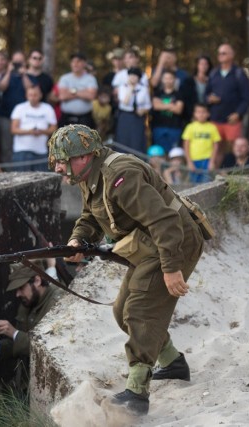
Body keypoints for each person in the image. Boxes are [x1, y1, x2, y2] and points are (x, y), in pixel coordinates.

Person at [48, 124, 205, 416]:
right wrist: (78, 239)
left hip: (174, 242)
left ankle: (136, 392)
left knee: (141, 311)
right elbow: (91, 215)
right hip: (150, 245)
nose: (58, 167)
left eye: (61, 160)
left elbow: (164, 221)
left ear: (83, 156)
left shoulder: (120, 176)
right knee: (122, 312)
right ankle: (172, 363)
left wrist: (172, 268)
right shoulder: (86, 174)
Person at [0, 262, 62, 394]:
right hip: (27, 387)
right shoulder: (27, 303)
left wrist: (15, 333)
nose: (17, 294)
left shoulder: (58, 303)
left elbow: (49, 351)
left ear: (37, 280)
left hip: (50, 390)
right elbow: (18, 345)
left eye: (21, 288)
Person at [205, 43, 249, 168]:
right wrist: (209, 98)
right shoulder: (213, 73)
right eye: (219, 53)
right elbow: (206, 94)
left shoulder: (239, 73)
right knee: (216, 149)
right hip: (215, 118)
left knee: (235, 149)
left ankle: (235, 175)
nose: (220, 55)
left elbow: (246, 98)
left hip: (232, 120)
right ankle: (215, 176)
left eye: (224, 53)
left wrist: (238, 113)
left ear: (232, 55)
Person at [10, 85, 58, 171]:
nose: (32, 98)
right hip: (22, 150)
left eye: (35, 95)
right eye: (30, 95)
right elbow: (13, 129)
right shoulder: (19, 108)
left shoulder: (47, 108)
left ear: (40, 95)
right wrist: (30, 132)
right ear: (26, 95)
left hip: (41, 151)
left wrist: (42, 131)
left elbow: (54, 128)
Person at [116, 67, 151, 154]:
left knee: (136, 140)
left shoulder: (143, 89)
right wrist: (131, 88)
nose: (132, 78)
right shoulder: (123, 87)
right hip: (125, 116)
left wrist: (143, 110)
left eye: (135, 76)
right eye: (131, 75)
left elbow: (148, 104)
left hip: (138, 117)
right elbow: (125, 101)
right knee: (123, 140)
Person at [181, 103, 221, 183]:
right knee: (194, 183)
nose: (201, 114)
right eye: (198, 112)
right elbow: (186, 145)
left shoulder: (212, 127)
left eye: (203, 112)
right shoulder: (190, 127)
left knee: (206, 182)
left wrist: (212, 161)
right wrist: (189, 162)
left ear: (208, 114)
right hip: (194, 160)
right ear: (194, 114)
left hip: (207, 159)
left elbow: (216, 145)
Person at [58, 52, 98, 128]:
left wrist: (72, 91)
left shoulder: (90, 79)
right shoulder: (64, 78)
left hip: (85, 118)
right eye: (73, 61)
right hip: (66, 118)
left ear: (84, 63)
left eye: (78, 61)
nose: (75, 64)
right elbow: (62, 96)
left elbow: (91, 96)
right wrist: (83, 92)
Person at [151, 69, 185, 153]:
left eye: (170, 78)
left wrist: (162, 105)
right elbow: (156, 106)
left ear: (174, 79)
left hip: (174, 127)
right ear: (162, 80)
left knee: (173, 153)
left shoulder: (179, 94)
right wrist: (172, 105)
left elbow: (178, 110)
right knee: (159, 152)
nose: (168, 80)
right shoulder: (157, 93)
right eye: (165, 78)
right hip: (159, 127)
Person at [180, 55, 213, 124]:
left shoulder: (213, 81)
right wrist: (192, 115)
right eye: (201, 64)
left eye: (206, 64)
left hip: (208, 116)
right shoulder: (189, 82)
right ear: (197, 65)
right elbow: (185, 99)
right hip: (191, 117)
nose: (203, 66)